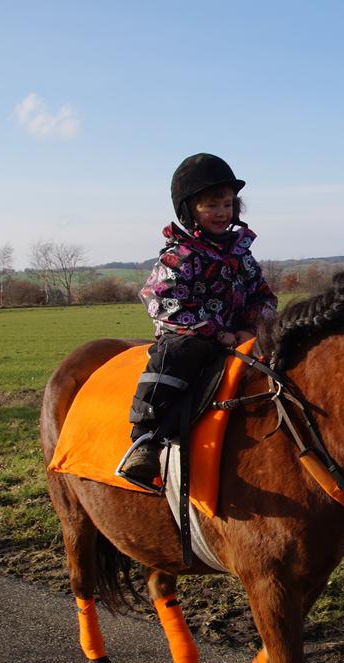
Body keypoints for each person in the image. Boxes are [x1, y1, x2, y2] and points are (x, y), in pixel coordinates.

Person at [118, 153, 277, 491]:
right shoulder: (180, 255)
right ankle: (144, 440)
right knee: (177, 356)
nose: (222, 212)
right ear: (190, 210)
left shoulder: (241, 255)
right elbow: (160, 300)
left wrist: (249, 327)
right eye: (212, 205)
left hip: (241, 337)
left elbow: (263, 296)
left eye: (228, 204)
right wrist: (215, 332)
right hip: (189, 336)